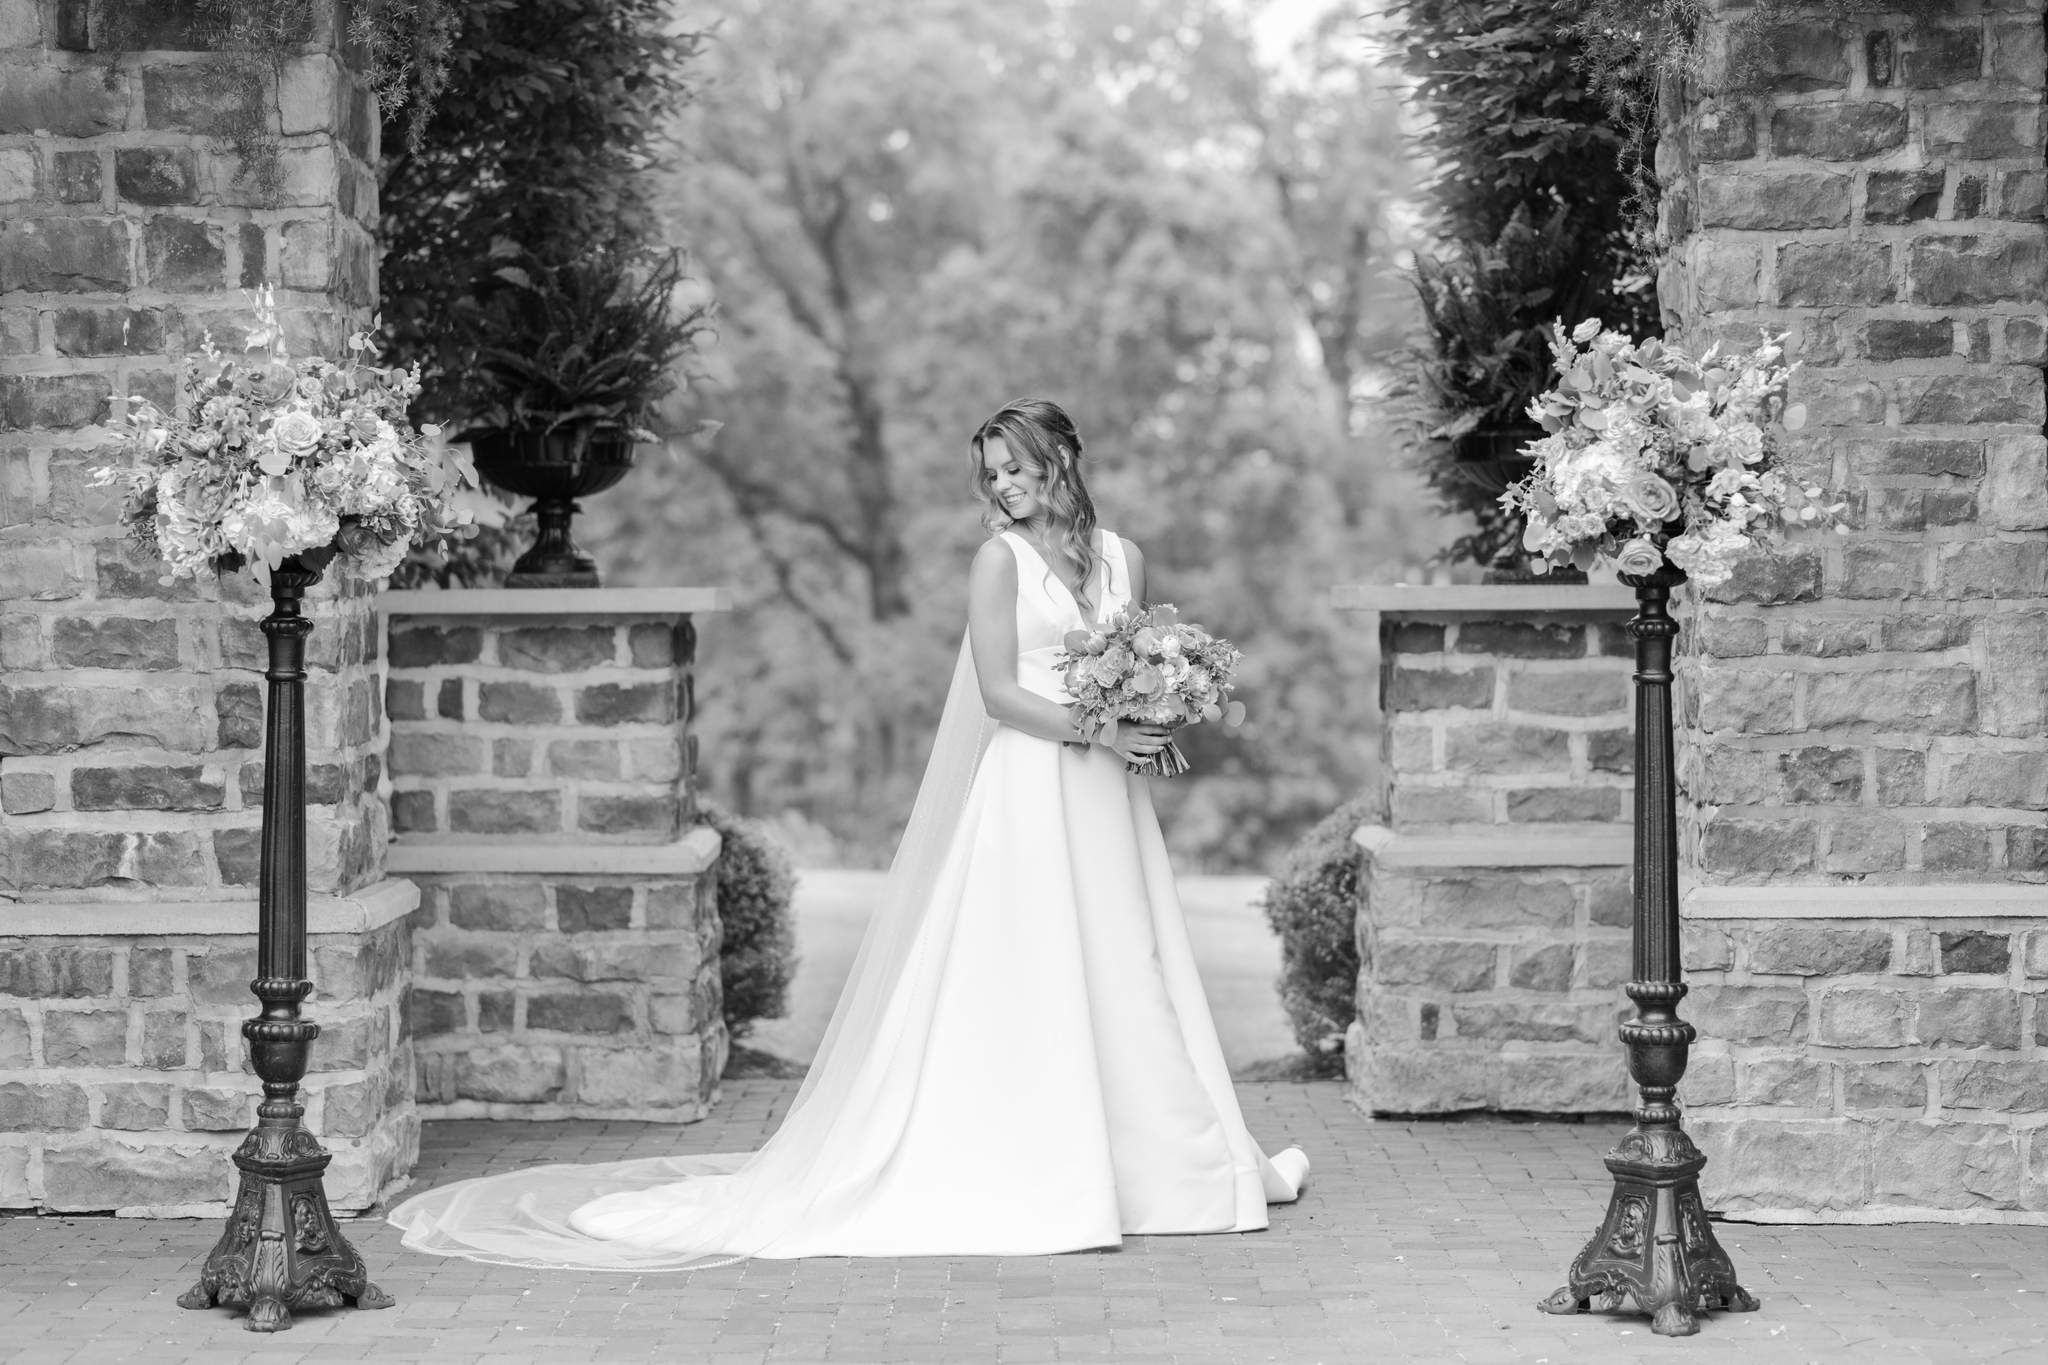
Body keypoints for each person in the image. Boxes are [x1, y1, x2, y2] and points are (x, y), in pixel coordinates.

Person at [388, 398, 1308, 1269]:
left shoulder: (1123, 557)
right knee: (1034, 964)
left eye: (1017, 468)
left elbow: (1131, 658)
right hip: (1033, 786)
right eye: (991, 474)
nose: (1004, 488)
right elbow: (999, 694)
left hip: (1109, 793)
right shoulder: (999, 563)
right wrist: (1099, 728)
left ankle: (1163, 1164)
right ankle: (1047, 1163)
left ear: (1061, 458)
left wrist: (1154, 714)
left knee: (1127, 958)